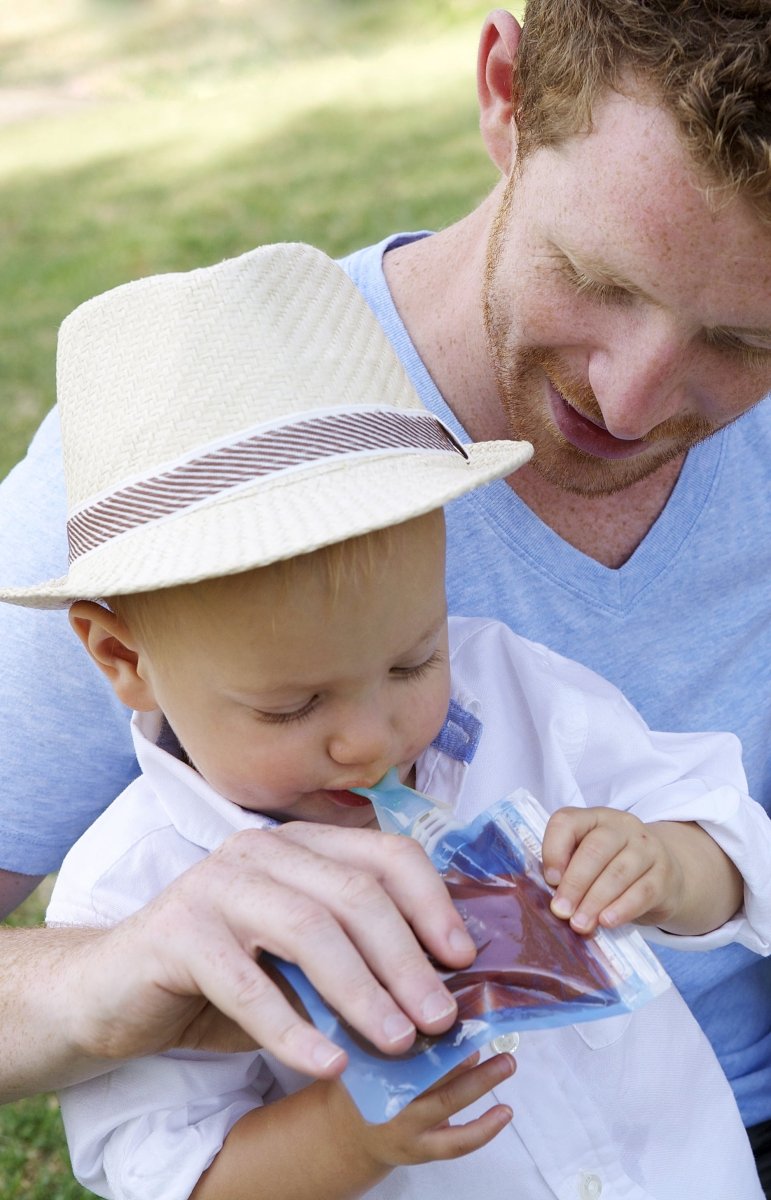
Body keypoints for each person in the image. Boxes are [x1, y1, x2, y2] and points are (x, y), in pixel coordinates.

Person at [0, 0, 769, 1178]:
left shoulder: (517, 696)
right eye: (594, 277)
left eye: (747, 342)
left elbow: (718, 832)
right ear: (506, 93)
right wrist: (124, 975)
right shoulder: (162, 483)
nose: (633, 402)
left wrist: (672, 864)